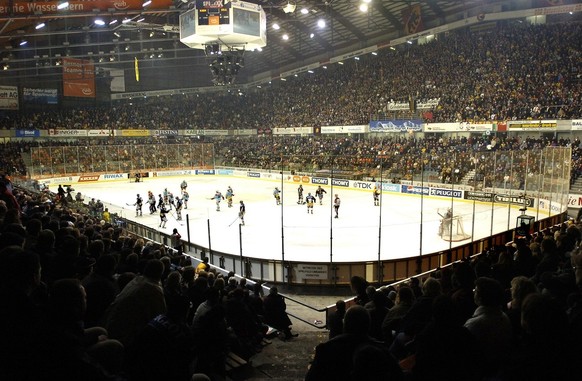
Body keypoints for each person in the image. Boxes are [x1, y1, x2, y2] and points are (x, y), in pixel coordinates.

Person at [305, 305, 402, 381]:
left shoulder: (325, 350)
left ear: (345, 324)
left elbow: (311, 378)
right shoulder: (382, 351)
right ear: (368, 325)